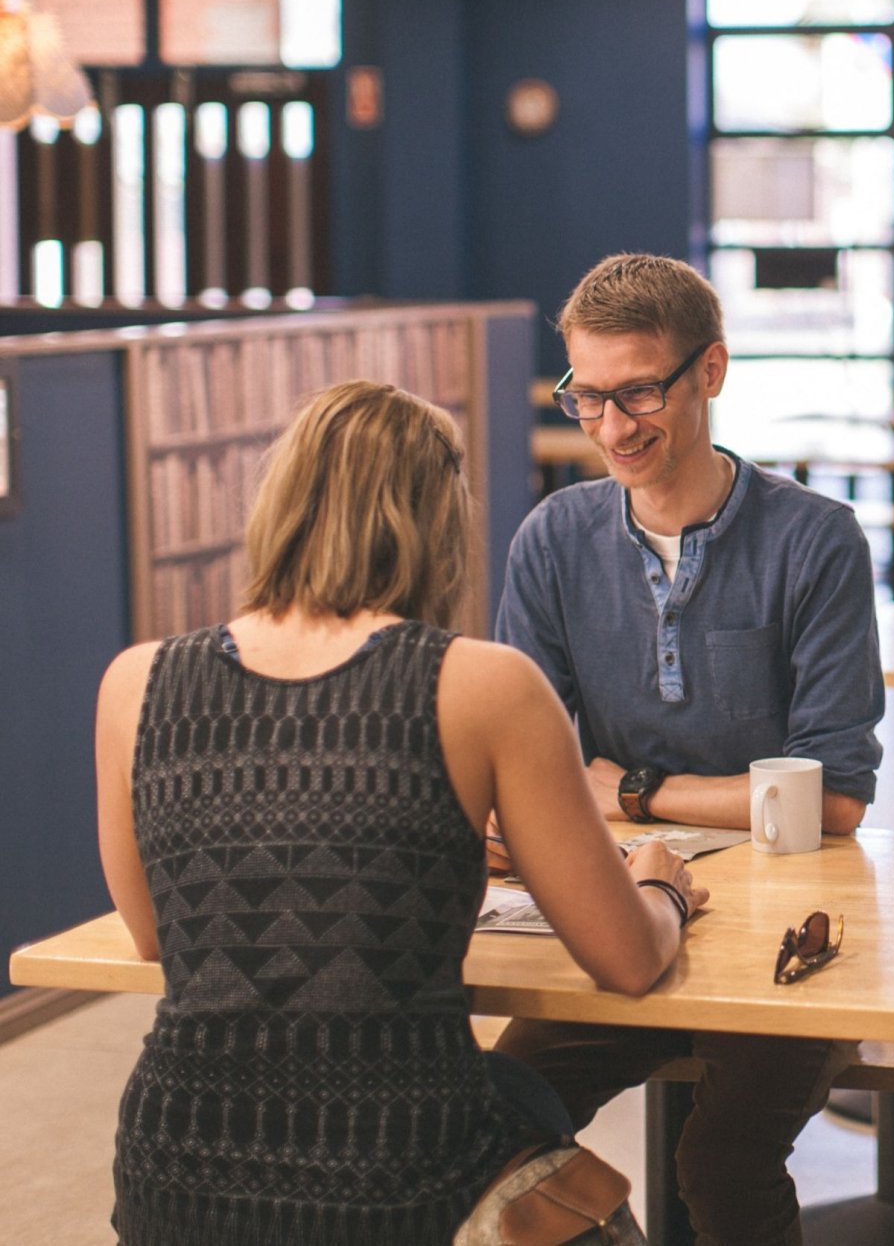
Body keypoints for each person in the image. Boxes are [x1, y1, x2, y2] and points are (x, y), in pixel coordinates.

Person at [95, 379, 704, 1245]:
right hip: (394, 1171)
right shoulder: (482, 683)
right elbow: (626, 961)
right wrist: (660, 889)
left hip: (174, 1172)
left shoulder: (137, 681)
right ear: (437, 523)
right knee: (529, 1111)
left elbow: (158, 933)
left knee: (522, 1091)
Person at [491, 253, 885, 1246]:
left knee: (721, 1156)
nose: (614, 429)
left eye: (638, 393)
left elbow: (832, 799)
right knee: (488, 1117)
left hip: (796, 921)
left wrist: (631, 788)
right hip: (624, 905)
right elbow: (519, 773)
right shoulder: (551, 540)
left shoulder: (816, 540)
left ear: (709, 370)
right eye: (588, 397)